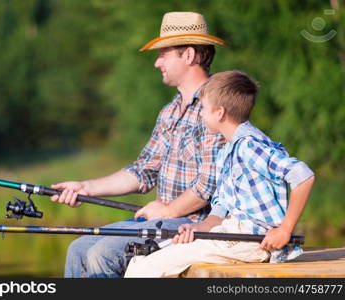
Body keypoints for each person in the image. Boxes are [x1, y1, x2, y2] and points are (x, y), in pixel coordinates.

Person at [50, 11, 228, 278]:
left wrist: (168, 210)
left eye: (164, 54)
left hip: (193, 224)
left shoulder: (216, 109)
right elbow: (143, 171)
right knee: (78, 248)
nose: (157, 63)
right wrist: (85, 187)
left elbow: (208, 185)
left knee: (103, 254)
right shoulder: (169, 112)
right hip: (160, 220)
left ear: (188, 55)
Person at [124, 70, 315, 277]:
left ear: (220, 113)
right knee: (141, 258)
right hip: (228, 232)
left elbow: (302, 176)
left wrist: (285, 230)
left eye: (203, 108)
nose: (201, 114)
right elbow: (221, 209)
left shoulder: (249, 146)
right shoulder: (226, 152)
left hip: (252, 239)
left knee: (148, 268)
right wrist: (198, 229)